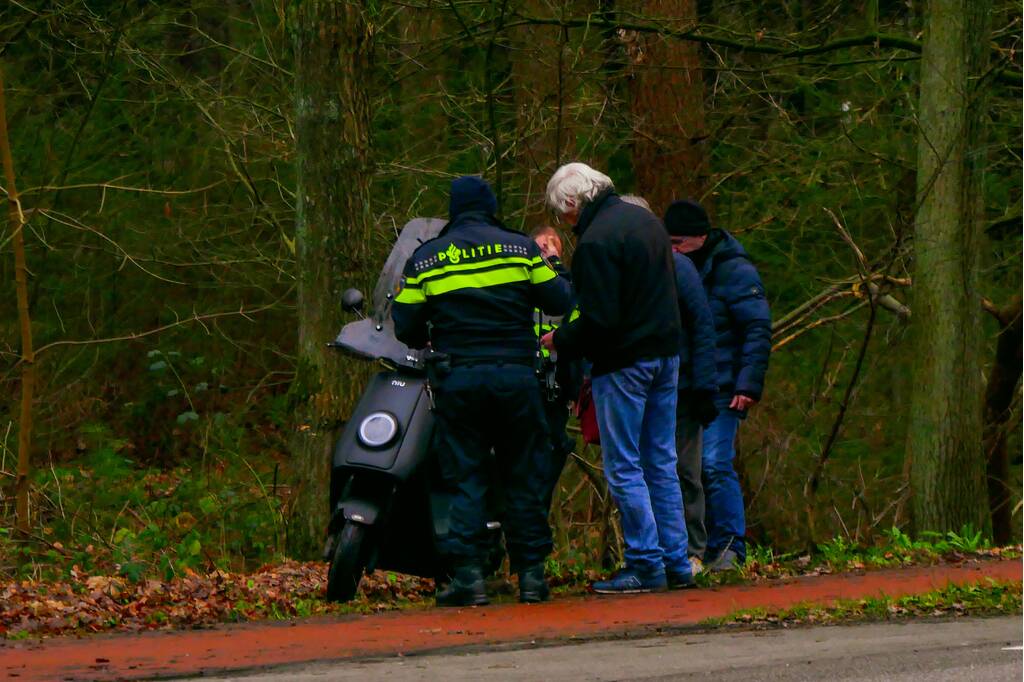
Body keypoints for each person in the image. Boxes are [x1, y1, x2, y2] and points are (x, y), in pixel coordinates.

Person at [392, 175, 571, 605]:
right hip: (516, 377)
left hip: (460, 381)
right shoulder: (520, 248)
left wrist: (430, 338)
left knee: (465, 476)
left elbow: (405, 325)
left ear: (453, 210)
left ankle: (468, 579)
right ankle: (531, 576)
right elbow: (559, 301)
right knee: (523, 475)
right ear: (491, 207)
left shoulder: (427, 258)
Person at [541, 162, 695, 593]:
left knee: (625, 466)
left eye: (564, 214)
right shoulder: (645, 221)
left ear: (573, 202)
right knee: (661, 462)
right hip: (666, 355)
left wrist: (562, 340)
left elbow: (599, 319)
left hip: (623, 362)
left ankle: (646, 562)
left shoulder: (595, 241)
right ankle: (676, 560)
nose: (566, 222)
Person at [663, 199, 771, 572]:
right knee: (685, 467)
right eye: (668, 242)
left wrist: (748, 383)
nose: (672, 249)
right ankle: (702, 547)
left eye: (679, 241)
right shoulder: (678, 271)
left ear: (701, 238)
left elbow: (756, 328)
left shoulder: (734, 270)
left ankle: (730, 547)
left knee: (713, 463)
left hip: (726, 385)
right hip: (692, 384)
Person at [529, 226, 580, 513]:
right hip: (526, 380)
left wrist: (574, 390)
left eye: (552, 247)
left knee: (551, 453)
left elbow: (571, 303)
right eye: (540, 247)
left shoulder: (569, 282)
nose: (546, 253)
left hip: (556, 387)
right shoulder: (523, 281)